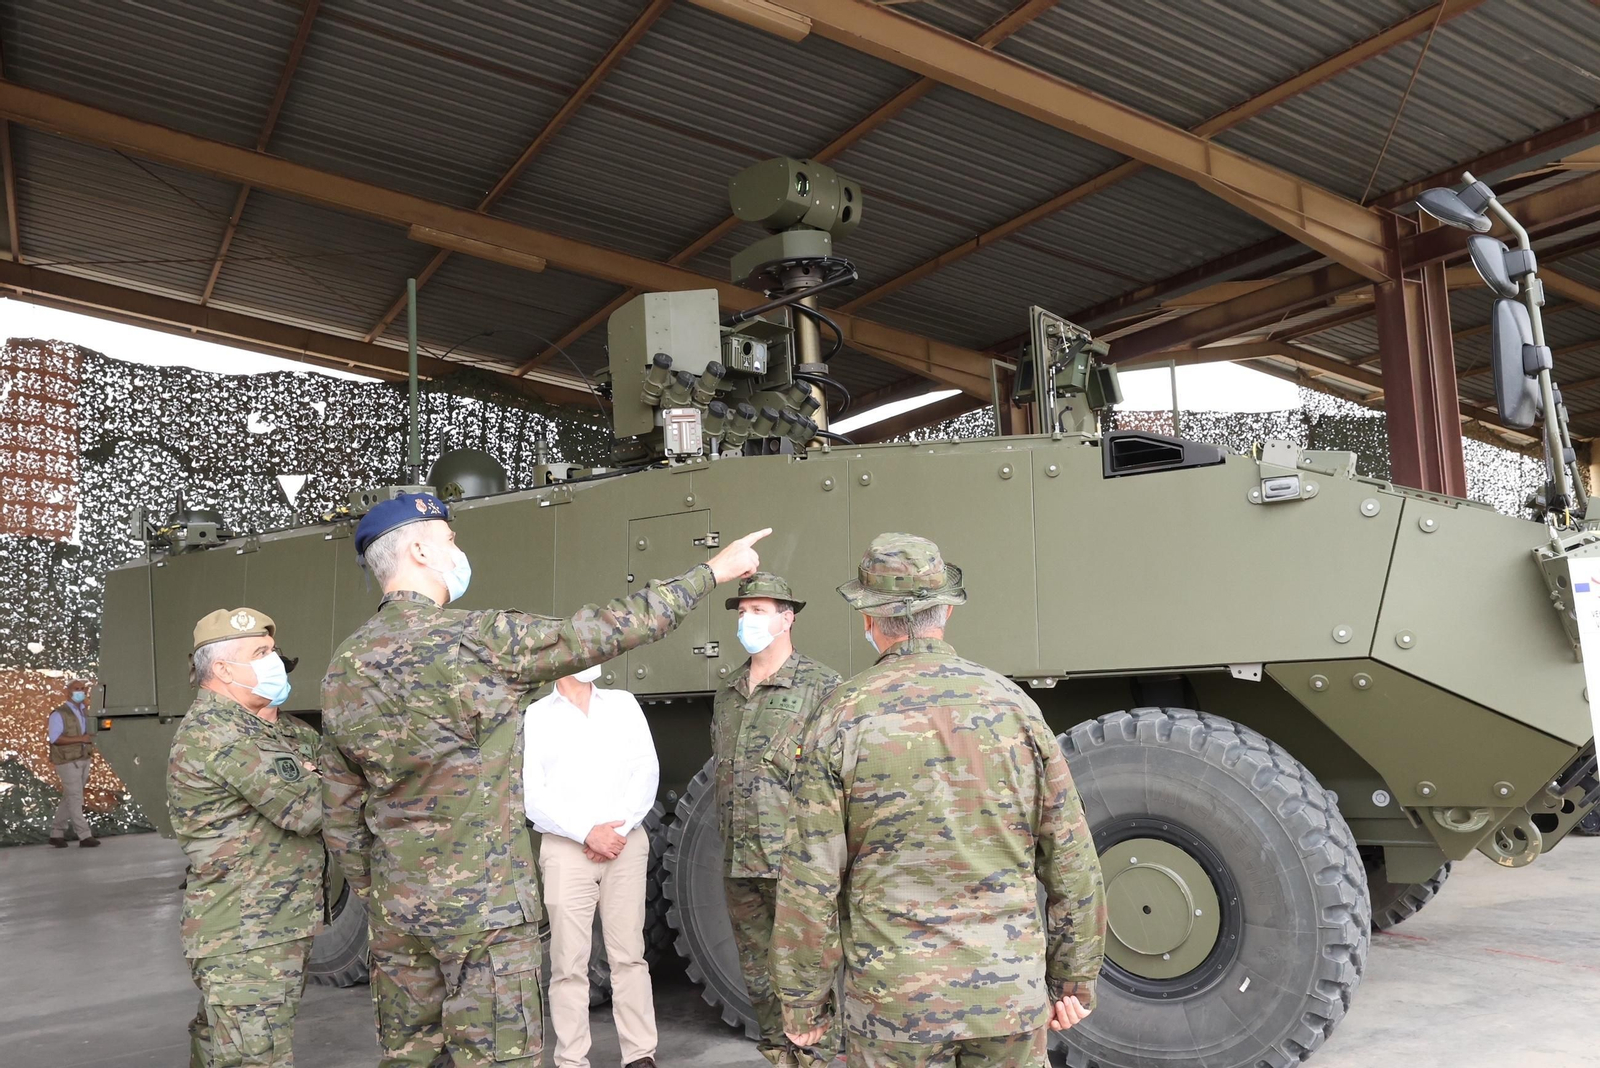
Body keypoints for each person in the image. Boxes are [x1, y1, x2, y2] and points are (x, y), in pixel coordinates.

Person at [320, 492, 767, 1068]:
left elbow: (340, 810)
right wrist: (713, 572)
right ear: (419, 550)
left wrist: (381, 891)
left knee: (411, 1056)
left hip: (399, 915)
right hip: (485, 914)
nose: (458, 551)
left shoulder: (344, 666)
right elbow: (609, 629)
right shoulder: (475, 640)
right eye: (451, 540)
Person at [772, 533, 1106, 1068]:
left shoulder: (841, 717)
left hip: (892, 1005)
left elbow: (810, 880)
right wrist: (1074, 981)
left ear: (867, 618)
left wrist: (803, 1002)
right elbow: (1071, 860)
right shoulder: (1015, 709)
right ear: (945, 611)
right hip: (1009, 999)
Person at [167, 607, 325, 1068]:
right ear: (221, 668)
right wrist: (318, 781)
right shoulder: (219, 734)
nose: (273, 662)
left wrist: (320, 777)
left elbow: (333, 774)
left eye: (272, 652)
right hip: (243, 933)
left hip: (271, 925)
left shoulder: (274, 727)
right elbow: (310, 808)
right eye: (260, 653)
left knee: (227, 1049)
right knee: (257, 1058)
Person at [713, 573, 841, 1068]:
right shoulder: (729, 691)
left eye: (759, 610)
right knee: (759, 975)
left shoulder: (822, 686)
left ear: (787, 618)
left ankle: (819, 1059)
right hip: (739, 859)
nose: (747, 620)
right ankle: (777, 1056)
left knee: (807, 973)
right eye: (742, 612)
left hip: (797, 863)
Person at [524, 663, 660, 1068]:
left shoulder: (624, 704)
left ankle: (640, 1054)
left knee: (629, 955)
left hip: (624, 843)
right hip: (567, 849)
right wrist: (588, 833)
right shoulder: (536, 716)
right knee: (568, 963)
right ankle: (571, 1059)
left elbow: (646, 770)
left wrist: (614, 830)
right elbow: (533, 793)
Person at [47, 678, 99, 847]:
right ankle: (84, 835)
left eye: (83, 688)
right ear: (68, 692)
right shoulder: (58, 714)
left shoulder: (85, 711)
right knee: (76, 797)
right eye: (77, 688)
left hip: (83, 758)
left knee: (70, 796)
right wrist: (81, 739)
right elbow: (55, 738)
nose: (81, 691)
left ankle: (56, 833)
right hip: (67, 761)